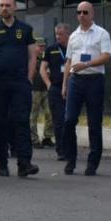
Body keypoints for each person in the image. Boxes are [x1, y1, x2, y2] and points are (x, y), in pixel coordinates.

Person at [0, 0, 39, 177]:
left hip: (20, 83)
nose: (4, 8)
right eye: (1, 5)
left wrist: (29, 79)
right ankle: (1, 164)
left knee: (21, 121)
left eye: (7, 5)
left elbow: (32, 57)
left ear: (15, 7)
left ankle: (24, 163)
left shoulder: (26, 29)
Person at [61, 2, 111, 176]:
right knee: (69, 120)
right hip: (76, 80)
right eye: (79, 12)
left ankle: (92, 163)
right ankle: (71, 159)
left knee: (94, 123)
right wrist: (65, 83)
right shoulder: (73, 36)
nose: (82, 15)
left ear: (92, 14)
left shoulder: (101, 33)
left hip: (94, 79)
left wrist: (87, 64)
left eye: (85, 12)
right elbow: (68, 61)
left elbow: (106, 56)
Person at [40, 23, 70, 160]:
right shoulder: (51, 49)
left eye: (61, 34)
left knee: (69, 119)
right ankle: (61, 150)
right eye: (56, 34)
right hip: (56, 88)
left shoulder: (73, 48)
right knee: (58, 120)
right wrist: (48, 84)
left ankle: (71, 148)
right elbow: (42, 68)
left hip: (72, 88)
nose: (58, 37)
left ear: (68, 34)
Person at [29, 36, 53, 149]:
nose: (42, 48)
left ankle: (47, 137)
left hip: (45, 89)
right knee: (33, 116)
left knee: (50, 113)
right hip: (34, 90)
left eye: (44, 46)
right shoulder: (30, 59)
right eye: (40, 46)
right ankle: (34, 139)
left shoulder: (46, 59)